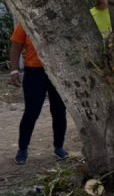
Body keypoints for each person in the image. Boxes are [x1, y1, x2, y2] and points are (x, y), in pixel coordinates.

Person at [9, 23, 69, 164]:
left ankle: (59, 147)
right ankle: (22, 149)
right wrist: (14, 70)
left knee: (59, 111)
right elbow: (16, 47)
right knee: (31, 111)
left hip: (58, 72)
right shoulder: (24, 22)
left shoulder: (58, 19)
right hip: (34, 73)